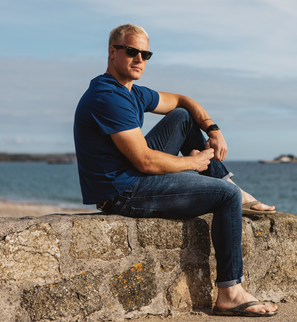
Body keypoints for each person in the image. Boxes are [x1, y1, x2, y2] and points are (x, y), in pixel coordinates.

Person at [74, 24, 278, 317]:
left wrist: (213, 129)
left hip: (132, 175)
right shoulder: (108, 96)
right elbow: (145, 161)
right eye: (132, 51)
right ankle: (230, 293)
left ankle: (226, 180)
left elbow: (182, 101)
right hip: (122, 191)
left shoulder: (133, 92)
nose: (139, 59)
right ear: (112, 52)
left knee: (181, 117)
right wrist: (193, 164)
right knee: (226, 197)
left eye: (146, 54)